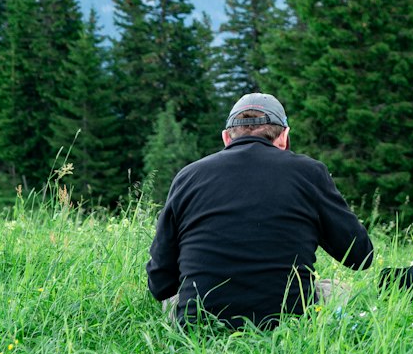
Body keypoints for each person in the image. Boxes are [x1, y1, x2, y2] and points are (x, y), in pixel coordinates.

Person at [146, 91, 374, 329]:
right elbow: (360, 257)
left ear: (226, 138)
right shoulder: (310, 173)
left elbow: (160, 284)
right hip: (289, 321)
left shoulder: (188, 177)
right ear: (284, 137)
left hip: (200, 324)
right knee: (338, 289)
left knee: (174, 298)